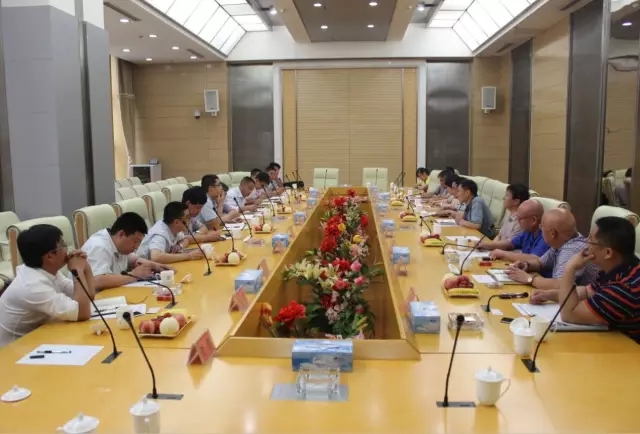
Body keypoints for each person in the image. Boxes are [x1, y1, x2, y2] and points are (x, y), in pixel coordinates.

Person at [0, 225, 95, 347]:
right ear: (49, 256)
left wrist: (85, 267)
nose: (67, 250)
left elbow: (88, 296)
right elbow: (83, 313)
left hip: (38, 338)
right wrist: (78, 271)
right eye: (63, 245)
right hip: (13, 350)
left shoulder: (47, 271)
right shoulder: (32, 286)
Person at [557, 216, 640, 342]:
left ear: (608, 253)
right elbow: (587, 292)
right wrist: (548, 295)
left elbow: (569, 314)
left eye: (590, 240)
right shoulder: (623, 267)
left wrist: (570, 269)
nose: (586, 244)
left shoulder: (624, 289)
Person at [506, 208, 599, 298]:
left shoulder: (571, 249)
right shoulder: (563, 241)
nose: (540, 231)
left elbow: (562, 285)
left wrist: (529, 279)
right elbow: (540, 263)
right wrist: (526, 265)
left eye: (541, 227)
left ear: (553, 234)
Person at [82, 212, 170, 291]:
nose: (136, 247)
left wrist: (155, 265)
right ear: (121, 235)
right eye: (135, 241)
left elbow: (133, 259)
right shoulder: (99, 246)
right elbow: (98, 281)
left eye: (139, 243)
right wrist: (134, 275)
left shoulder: (117, 243)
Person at [480, 199, 550, 266]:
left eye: (520, 219)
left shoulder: (546, 235)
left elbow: (535, 259)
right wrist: (488, 245)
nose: (518, 222)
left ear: (533, 220)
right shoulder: (528, 230)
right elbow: (510, 243)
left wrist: (503, 254)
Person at [136, 202, 204, 264]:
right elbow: (156, 257)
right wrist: (189, 256)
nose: (190, 220)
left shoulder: (173, 228)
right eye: (187, 217)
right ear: (176, 222)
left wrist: (180, 246)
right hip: (143, 268)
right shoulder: (160, 234)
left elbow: (185, 239)